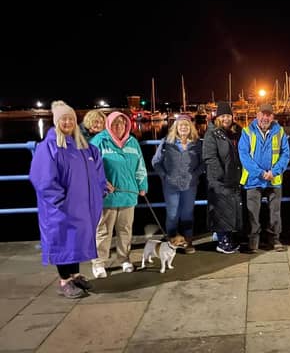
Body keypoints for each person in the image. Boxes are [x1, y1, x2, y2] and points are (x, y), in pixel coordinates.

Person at [29, 101, 106, 298]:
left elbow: (98, 173)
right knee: (62, 240)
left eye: (71, 118)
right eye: (63, 118)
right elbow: (42, 178)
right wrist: (59, 200)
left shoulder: (84, 146)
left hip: (83, 206)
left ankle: (75, 275)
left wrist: (99, 191)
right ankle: (65, 280)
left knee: (77, 240)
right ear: (56, 121)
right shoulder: (49, 147)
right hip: (62, 207)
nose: (68, 122)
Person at [90, 112, 148, 277]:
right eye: (115, 124)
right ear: (108, 125)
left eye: (122, 124)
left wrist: (142, 185)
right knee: (103, 230)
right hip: (106, 196)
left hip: (128, 194)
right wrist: (101, 183)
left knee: (125, 229)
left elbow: (140, 166)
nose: (118, 127)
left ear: (127, 125)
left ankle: (124, 259)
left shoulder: (133, 142)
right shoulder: (99, 142)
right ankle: (99, 262)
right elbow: (89, 168)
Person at [239, 103, 290, 253]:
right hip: (253, 180)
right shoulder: (247, 132)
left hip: (274, 179)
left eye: (268, 115)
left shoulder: (280, 132)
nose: (265, 118)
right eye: (263, 114)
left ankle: (274, 239)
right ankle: (253, 240)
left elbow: (285, 154)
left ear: (272, 117)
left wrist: (274, 172)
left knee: (275, 212)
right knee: (252, 212)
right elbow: (244, 156)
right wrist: (260, 173)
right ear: (257, 115)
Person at [151, 115, 203, 254]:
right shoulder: (167, 142)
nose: (183, 127)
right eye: (180, 125)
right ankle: (171, 241)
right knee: (173, 214)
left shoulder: (197, 144)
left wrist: (195, 174)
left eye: (186, 125)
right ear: (176, 127)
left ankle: (188, 241)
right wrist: (164, 176)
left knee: (187, 213)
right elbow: (156, 162)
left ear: (190, 127)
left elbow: (204, 162)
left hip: (190, 184)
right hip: (171, 185)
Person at [203, 102, 243, 254]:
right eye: (223, 116)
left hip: (234, 176)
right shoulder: (212, 133)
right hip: (219, 179)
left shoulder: (236, 131)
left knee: (231, 208)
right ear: (218, 117)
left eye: (228, 115)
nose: (226, 118)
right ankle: (222, 240)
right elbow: (209, 156)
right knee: (221, 208)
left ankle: (228, 236)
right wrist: (220, 174)